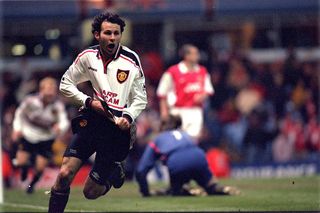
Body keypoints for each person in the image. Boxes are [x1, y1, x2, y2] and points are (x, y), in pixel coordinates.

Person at [48, 11, 147, 213]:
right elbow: (66, 84)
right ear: (97, 35)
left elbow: (140, 98)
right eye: (108, 33)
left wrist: (128, 116)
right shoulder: (87, 57)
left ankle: (113, 174)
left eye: (116, 33)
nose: (112, 38)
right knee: (65, 173)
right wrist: (88, 101)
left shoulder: (131, 60)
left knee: (90, 192)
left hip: (117, 130)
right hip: (93, 121)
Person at [135, 115, 239, 197]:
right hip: (199, 156)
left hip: (177, 161)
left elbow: (141, 170)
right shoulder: (185, 134)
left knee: (175, 191)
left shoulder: (158, 139)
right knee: (210, 186)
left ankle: (183, 190)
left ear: (162, 127)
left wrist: (145, 192)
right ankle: (219, 188)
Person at [11, 77, 69, 194]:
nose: (51, 92)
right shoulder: (30, 101)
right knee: (21, 162)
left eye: (53, 89)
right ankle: (24, 169)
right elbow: (19, 114)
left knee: (40, 168)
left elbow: (64, 121)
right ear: (41, 90)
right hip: (28, 135)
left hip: (46, 138)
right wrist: (17, 129)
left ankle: (32, 184)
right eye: (48, 88)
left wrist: (60, 128)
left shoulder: (57, 106)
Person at [157, 44, 214, 141]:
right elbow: (162, 93)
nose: (197, 56)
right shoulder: (173, 71)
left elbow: (209, 90)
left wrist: (202, 96)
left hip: (195, 111)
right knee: (176, 140)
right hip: (177, 112)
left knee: (193, 141)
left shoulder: (202, 71)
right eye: (194, 53)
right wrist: (164, 112)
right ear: (186, 56)